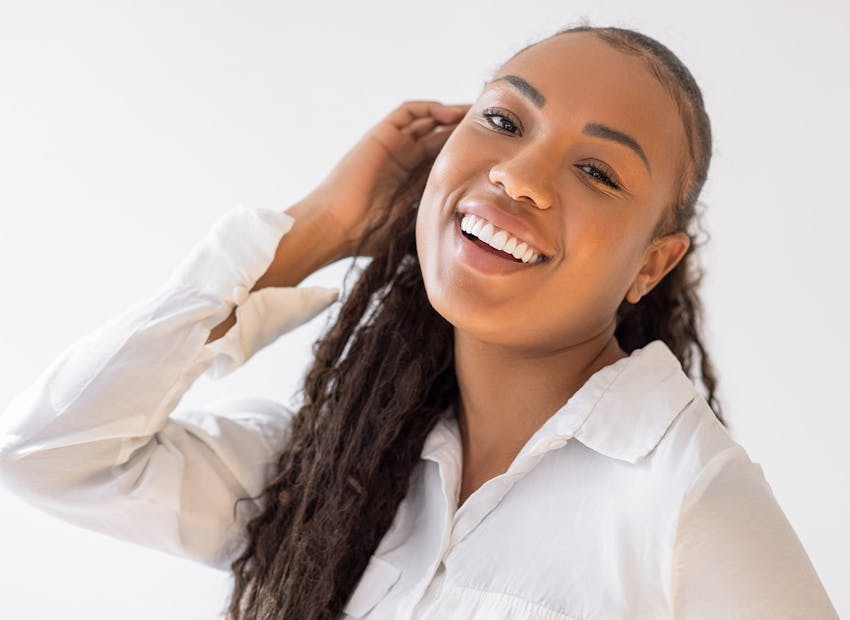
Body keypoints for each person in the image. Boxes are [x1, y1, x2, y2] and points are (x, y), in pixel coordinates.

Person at [0, 23, 838, 620]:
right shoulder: (334, 467)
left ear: (652, 263)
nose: (520, 177)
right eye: (505, 121)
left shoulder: (687, 498)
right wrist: (318, 230)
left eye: (596, 170)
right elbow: (51, 453)